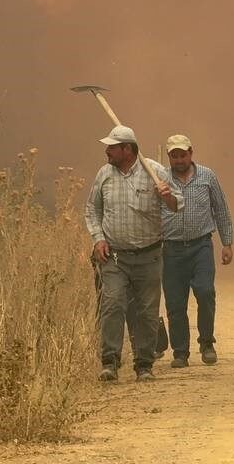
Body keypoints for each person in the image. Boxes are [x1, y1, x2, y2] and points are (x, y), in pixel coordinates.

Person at [85, 125, 181, 382]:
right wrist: (98, 239)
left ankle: (144, 364)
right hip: (114, 256)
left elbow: (177, 205)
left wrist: (167, 195)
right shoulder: (104, 173)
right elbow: (92, 211)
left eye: (112, 147)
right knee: (112, 304)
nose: (107, 151)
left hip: (148, 256)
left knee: (147, 311)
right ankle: (109, 362)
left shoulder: (155, 171)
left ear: (127, 149)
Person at [161, 134, 234, 368]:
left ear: (191, 153)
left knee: (205, 292)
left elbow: (221, 209)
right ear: (169, 157)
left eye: (183, 155)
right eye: (174, 156)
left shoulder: (207, 176)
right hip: (171, 249)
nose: (179, 160)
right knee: (175, 302)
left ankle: (206, 343)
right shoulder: (161, 179)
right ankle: (180, 352)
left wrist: (227, 243)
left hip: (201, 246)